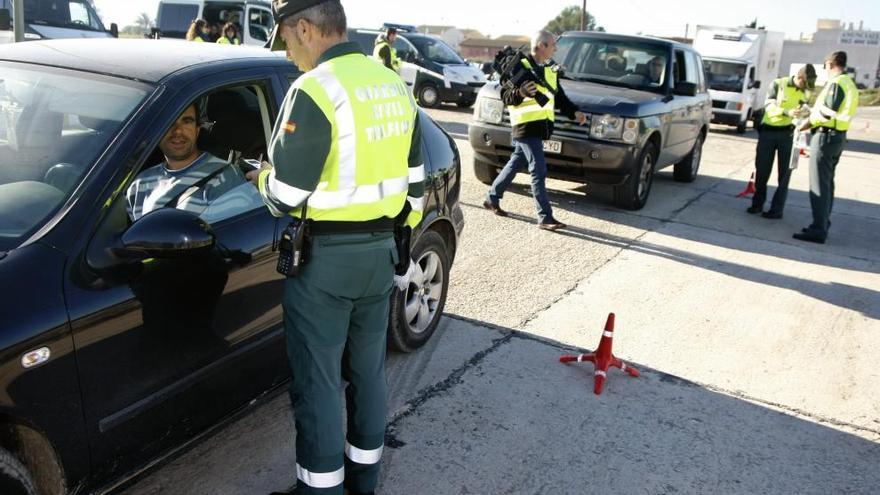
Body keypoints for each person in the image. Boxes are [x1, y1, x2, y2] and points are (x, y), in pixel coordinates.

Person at [258, 1, 424, 493]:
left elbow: (286, 195)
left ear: (305, 28)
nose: (289, 54)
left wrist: (260, 177)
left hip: (324, 264)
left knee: (319, 384)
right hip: (380, 256)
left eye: (287, 40)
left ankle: (320, 487)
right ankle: (364, 482)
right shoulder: (393, 84)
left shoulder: (314, 90)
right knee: (368, 373)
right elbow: (415, 190)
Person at [482, 30, 587, 231]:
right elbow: (505, 96)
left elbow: (560, 97)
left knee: (515, 163)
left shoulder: (549, 69)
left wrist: (575, 113)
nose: (556, 49)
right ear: (541, 46)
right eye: (553, 45)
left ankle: (491, 198)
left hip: (540, 127)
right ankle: (545, 217)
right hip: (524, 126)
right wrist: (521, 92)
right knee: (539, 169)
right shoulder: (517, 67)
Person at [126, 103, 243, 221]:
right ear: (157, 132)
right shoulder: (140, 184)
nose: (177, 131)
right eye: (169, 121)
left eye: (186, 121)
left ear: (197, 130)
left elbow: (236, 236)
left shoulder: (224, 177)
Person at [793, 51, 859, 244]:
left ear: (830, 64)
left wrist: (806, 123)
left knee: (819, 185)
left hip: (825, 137)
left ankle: (818, 228)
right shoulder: (850, 84)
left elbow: (827, 113)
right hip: (837, 137)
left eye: (824, 66)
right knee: (827, 183)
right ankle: (822, 223)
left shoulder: (837, 83)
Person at [747, 64, 816, 219]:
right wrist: (787, 112)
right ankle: (757, 204)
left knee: (785, 174)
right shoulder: (778, 84)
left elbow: (805, 109)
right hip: (769, 132)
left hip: (789, 135)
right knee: (762, 171)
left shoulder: (806, 91)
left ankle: (777, 210)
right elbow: (769, 106)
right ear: (799, 78)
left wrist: (804, 115)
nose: (807, 87)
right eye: (805, 83)